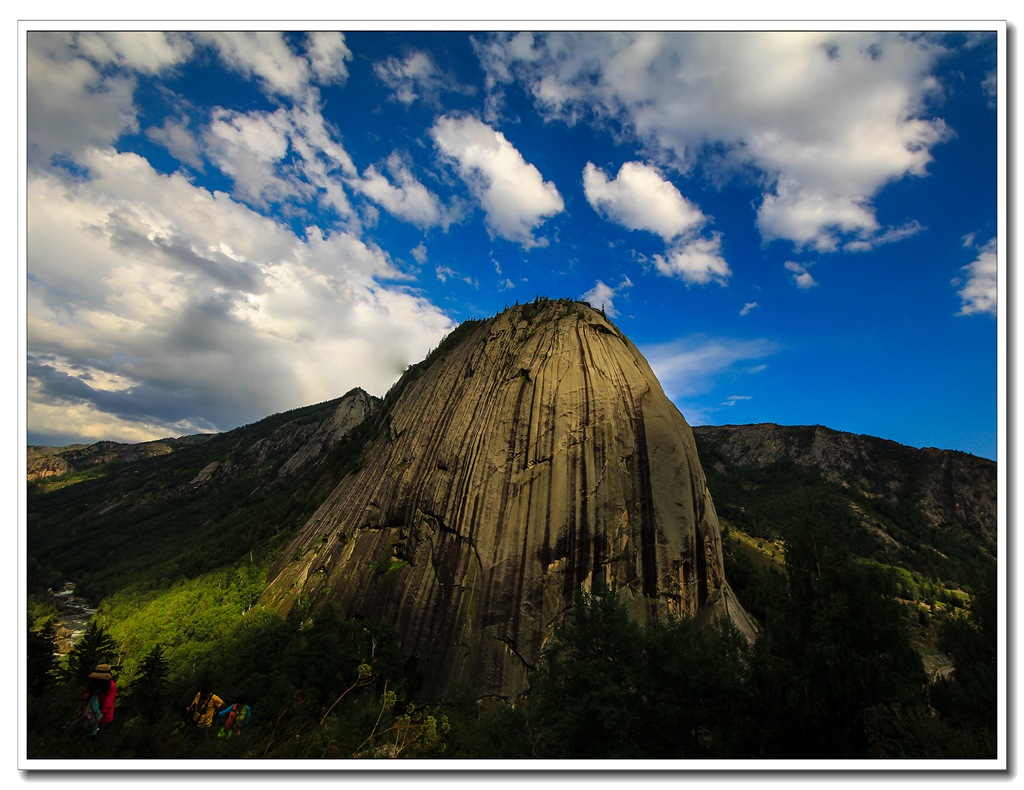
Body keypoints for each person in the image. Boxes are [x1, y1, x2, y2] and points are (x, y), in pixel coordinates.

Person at [82, 663, 116, 736]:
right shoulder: (93, 683)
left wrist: (99, 716)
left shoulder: (111, 686)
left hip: (104, 719)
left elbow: (108, 704)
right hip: (90, 716)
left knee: (98, 737)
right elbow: (86, 692)